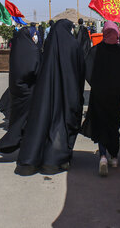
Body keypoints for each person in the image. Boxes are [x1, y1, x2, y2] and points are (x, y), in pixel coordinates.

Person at [16, 19, 85, 175]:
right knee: (63, 124)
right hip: (68, 92)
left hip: (46, 92)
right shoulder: (74, 45)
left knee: (44, 124)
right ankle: (56, 160)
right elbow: (80, 71)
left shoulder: (48, 46)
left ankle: (37, 158)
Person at [81, 21, 120, 176]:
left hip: (99, 95)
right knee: (114, 124)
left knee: (101, 124)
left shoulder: (95, 51)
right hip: (116, 96)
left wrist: (96, 84)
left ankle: (102, 156)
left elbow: (87, 71)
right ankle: (114, 157)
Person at [0, 26, 41, 153]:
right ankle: (16, 143)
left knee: (17, 118)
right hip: (28, 89)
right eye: (33, 34)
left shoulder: (16, 48)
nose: (35, 37)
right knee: (26, 121)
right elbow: (34, 70)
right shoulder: (32, 50)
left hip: (15, 88)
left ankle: (13, 142)